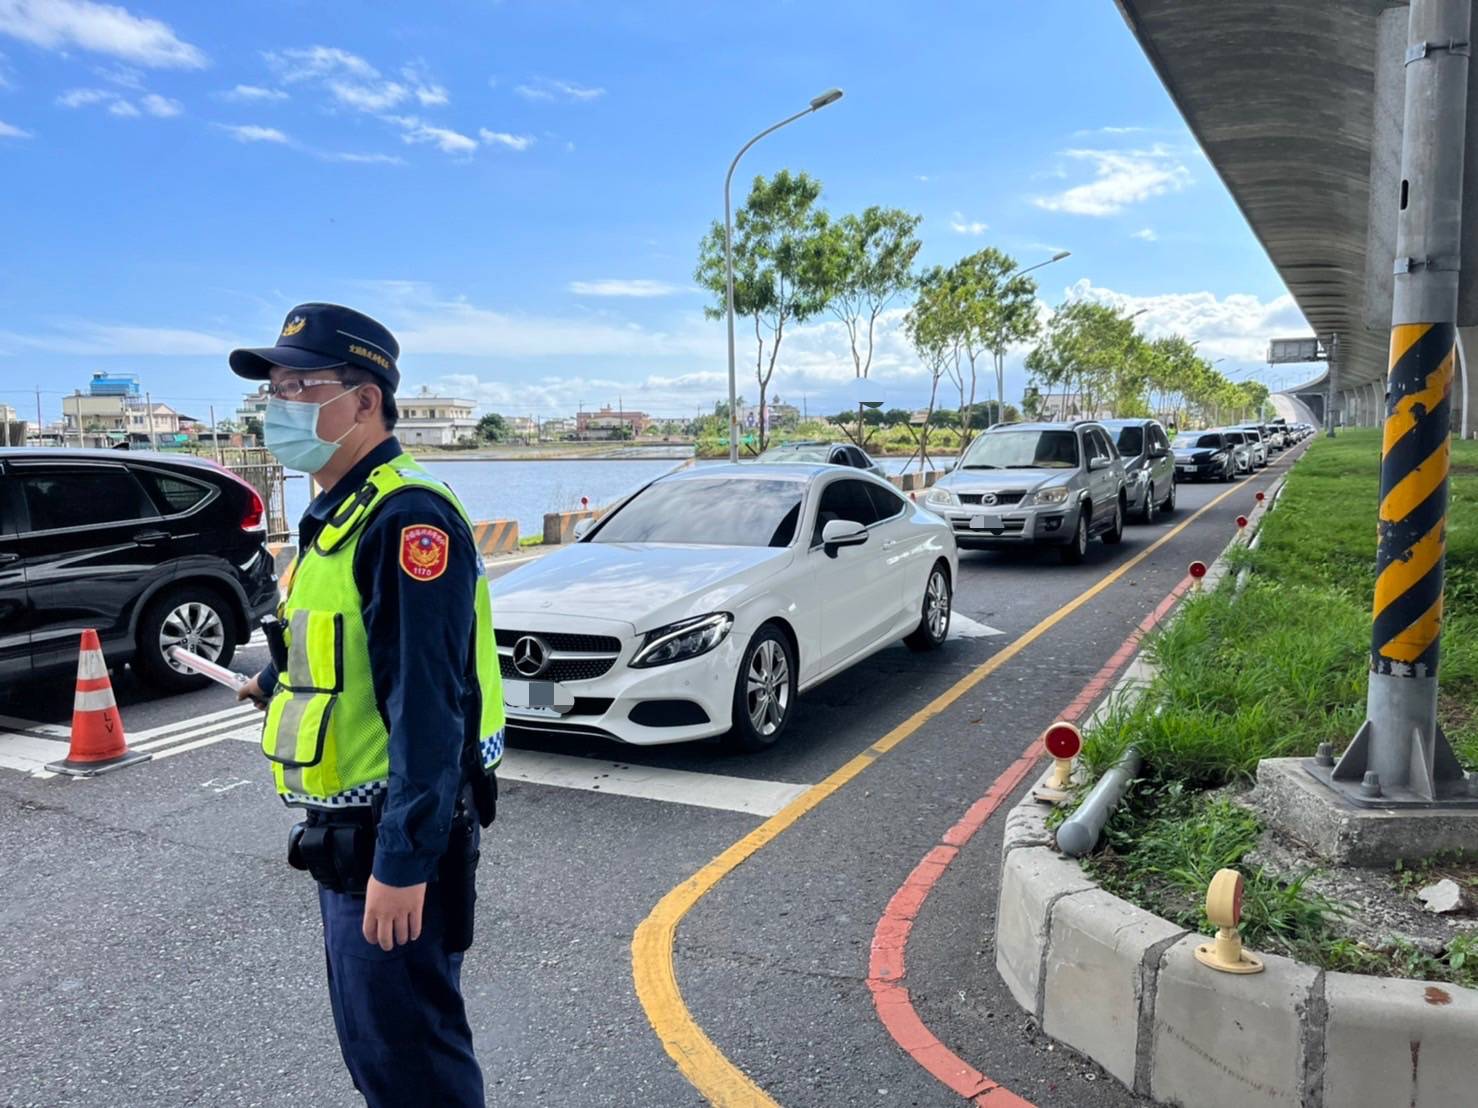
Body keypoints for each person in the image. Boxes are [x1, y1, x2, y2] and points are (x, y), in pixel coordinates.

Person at [231, 303, 503, 1107]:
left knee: (415, 1069)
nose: (279, 405)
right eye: (274, 389)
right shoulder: (338, 514)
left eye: (300, 385)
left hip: (390, 847)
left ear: (364, 400)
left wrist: (402, 864)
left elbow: (431, 706)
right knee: (382, 1059)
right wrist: (275, 687)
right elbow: (349, 656)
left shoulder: (407, 519)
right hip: (349, 845)